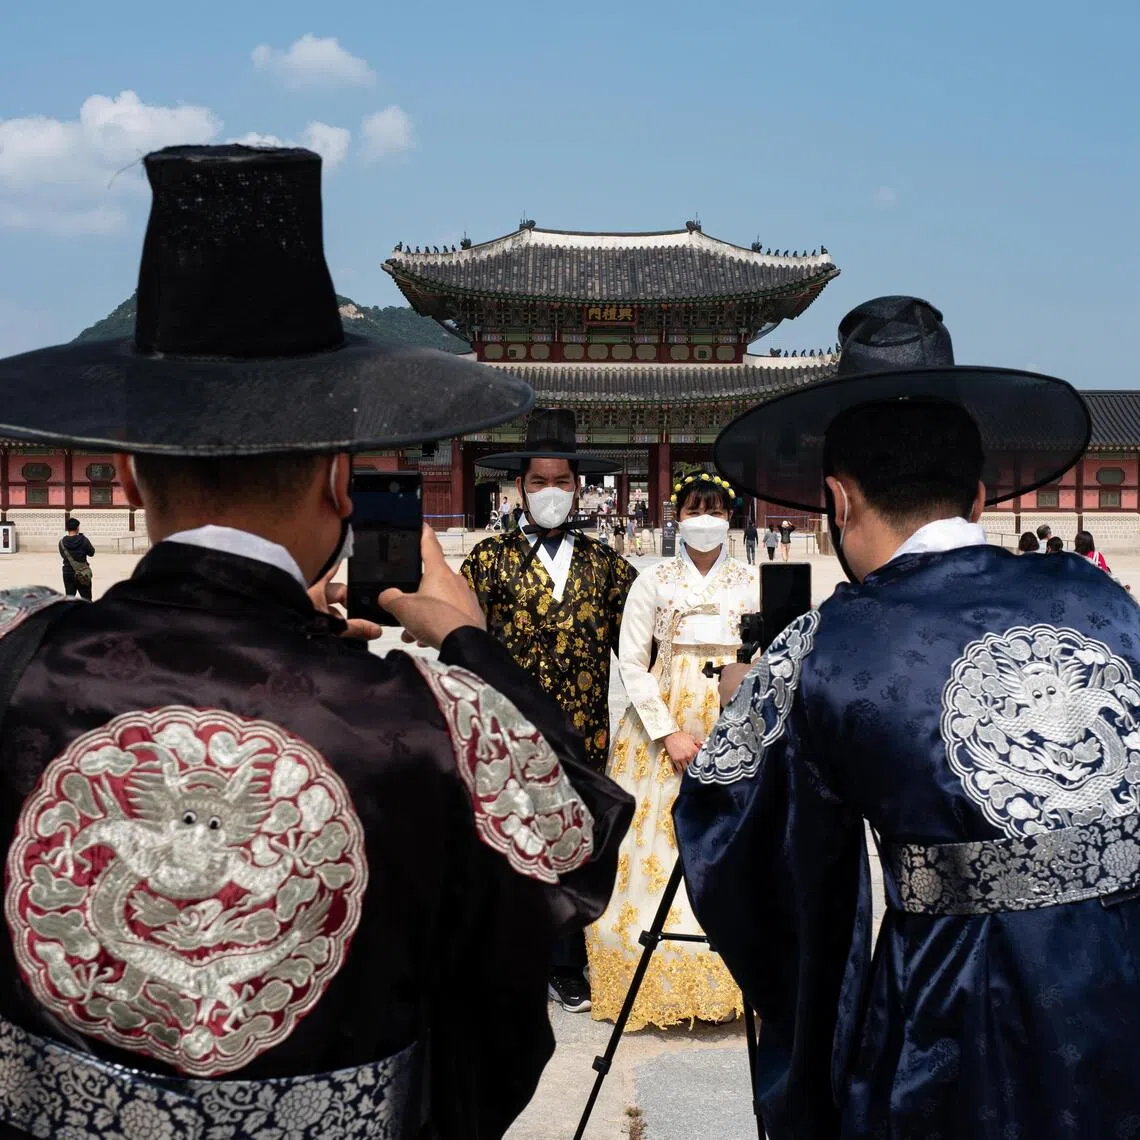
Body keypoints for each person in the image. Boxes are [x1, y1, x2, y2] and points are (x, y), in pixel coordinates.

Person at [0, 145, 632, 1140]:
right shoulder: (427, 720)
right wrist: (464, 638)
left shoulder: (16, 661)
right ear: (344, 483)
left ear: (126, 475)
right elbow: (566, 843)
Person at [674, 296, 1140, 1139]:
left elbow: (738, 838)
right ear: (981, 492)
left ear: (838, 499)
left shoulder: (819, 647)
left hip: (961, 1019)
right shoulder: (1102, 599)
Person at [462, 409, 638, 1014]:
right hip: (506, 730)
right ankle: (507, 961)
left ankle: (567, 963)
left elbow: (642, 645)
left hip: (585, 732)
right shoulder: (486, 562)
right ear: (519, 487)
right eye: (538, 482)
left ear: (579, 487)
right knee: (506, 844)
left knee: (572, 847)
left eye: (561, 481)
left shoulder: (608, 566)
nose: (550, 493)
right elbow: (458, 636)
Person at [586, 472, 751, 1030]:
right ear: (675, 517)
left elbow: (771, 658)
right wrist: (668, 731)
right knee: (657, 842)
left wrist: (740, 728)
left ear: (731, 518)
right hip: (663, 726)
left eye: (715, 510)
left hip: (731, 721)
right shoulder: (651, 582)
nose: (704, 520)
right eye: (693, 509)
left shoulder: (752, 581)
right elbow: (631, 663)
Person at [58, 516, 94, 599]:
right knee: (87, 599)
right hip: (82, 572)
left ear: (67, 528)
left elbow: (63, 555)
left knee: (70, 598)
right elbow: (91, 553)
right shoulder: (84, 540)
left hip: (67, 572)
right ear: (78, 528)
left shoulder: (61, 542)